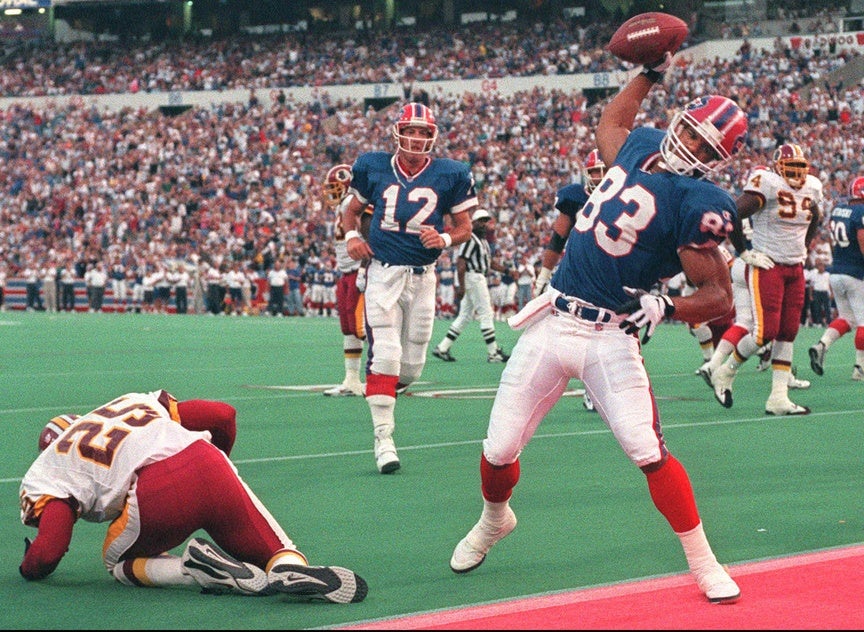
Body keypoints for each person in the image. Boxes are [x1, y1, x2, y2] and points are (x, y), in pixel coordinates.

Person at [449, 58, 749, 604]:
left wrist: (666, 305)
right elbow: (612, 122)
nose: (690, 148)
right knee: (499, 448)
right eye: (690, 133)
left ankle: (704, 561)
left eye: (706, 148)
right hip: (553, 319)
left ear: (717, 162)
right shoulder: (641, 147)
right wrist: (649, 72)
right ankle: (495, 520)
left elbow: (720, 296)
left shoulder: (699, 203)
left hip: (612, 334)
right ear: (677, 121)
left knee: (647, 449)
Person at [19, 389, 367, 603]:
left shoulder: (50, 467)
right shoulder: (129, 402)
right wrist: (220, 466)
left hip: (157, 492)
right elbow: (223, 414)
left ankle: (191, 568)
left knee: (117, 564)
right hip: (208, 460)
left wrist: (29, 568)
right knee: (277, 549)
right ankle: (290, 569)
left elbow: (50, 548)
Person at [341, 101, 475, 474]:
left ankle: (381, 391)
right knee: (385, 354)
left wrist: (444, 239)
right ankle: (383, 438)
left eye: (422, 132)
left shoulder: (451, 173)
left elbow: (465, 227)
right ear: (398, 132)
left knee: (412, 367)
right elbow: (350, 210)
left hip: (423, 277)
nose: (416, 138)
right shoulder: (373, 166)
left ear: (432, 136)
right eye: (410, 130)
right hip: (383, 274)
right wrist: (352, 237)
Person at [706, 143, 822, 415]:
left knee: (788, 332)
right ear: (777, 168)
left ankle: (778, 398)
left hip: (795, 266)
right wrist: (744, 252)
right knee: (764, 332)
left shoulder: (812, 186)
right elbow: (733, 213)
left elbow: (815, 215)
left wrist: (805, 245)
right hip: (768, 264)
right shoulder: (767, 183)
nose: (795, 173)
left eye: (799, 167)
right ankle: (725, 372)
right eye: (790, 167)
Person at [532, 148, 607, 412]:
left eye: (603, 171)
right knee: (578, 329)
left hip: (612, 271)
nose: (598, 177)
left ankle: (600, 387)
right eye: (594, 171)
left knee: (608, 333)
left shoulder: (625, 194)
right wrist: (543, 276)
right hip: (579, 271)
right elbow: (558, 239)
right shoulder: (574, 198)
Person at [431, 208, 511, 364]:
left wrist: (507, 271)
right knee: (486, 313)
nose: (484, 224)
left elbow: (490, 263)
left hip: (476, 276)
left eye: (485, 221)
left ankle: (442, 348)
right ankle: (493, 352)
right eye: (481, 221)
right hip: (473, 276)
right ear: (473, 223)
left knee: (465, 315)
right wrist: (461, 286)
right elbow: (461, 263)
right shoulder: (470, 239)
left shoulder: (483, 241)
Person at [809, 175, 864, 381]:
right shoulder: (861, 211)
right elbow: (862, 242)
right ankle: (860, 367)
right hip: (855, 273)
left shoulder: (838, 210)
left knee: (847, 319)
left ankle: (822, 345)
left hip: (836, 271)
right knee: (863, 322)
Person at [322, 163, 367, 397]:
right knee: (348, 328)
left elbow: (369, 234)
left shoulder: (353, 203)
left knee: (363, 328)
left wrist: (364, 269)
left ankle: (385, 377)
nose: (331, 193)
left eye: (335, 187)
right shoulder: (342, 205)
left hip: (359, 269)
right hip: (347, 272)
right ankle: (351, 379)